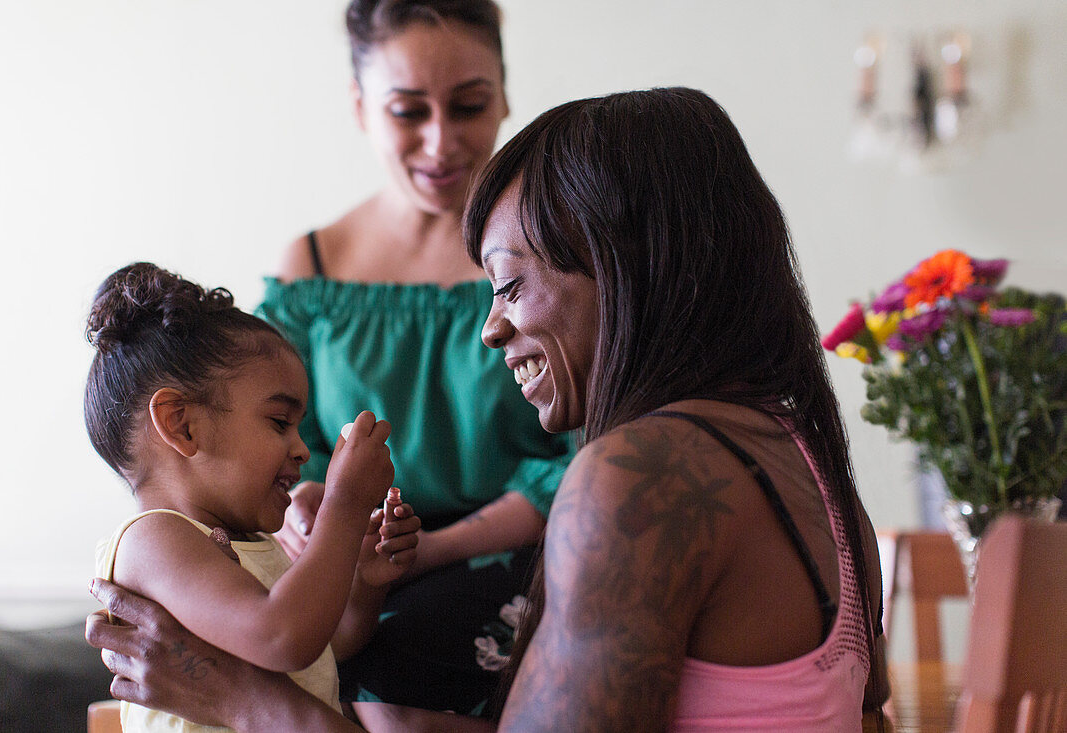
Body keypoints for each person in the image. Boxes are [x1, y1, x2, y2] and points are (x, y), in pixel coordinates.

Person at [86, 88, 891, 732]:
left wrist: (236, 696)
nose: (489, 325)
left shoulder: (639, 477)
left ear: (620, 271)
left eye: (508, 283)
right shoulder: (811, 463)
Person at [256, 0, 574, 717]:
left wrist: (424, 550)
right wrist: (301, 507)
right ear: (360, 105)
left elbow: (583, 452)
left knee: (394, 667)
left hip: (509, 554)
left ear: (504, 92)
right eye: (408, 112)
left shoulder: (558, 260)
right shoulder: (312, 268)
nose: (441, 142)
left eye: (469, 105)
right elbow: (270, 434)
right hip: (338, 558)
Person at [84, 262, 420, 732]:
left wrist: (364, 583)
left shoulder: (251, 544)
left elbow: (317, 653)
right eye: (280, 422)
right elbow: (281, 637)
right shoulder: (153, 541)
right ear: (182, 424)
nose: (303, 450)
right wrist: (343, 510)